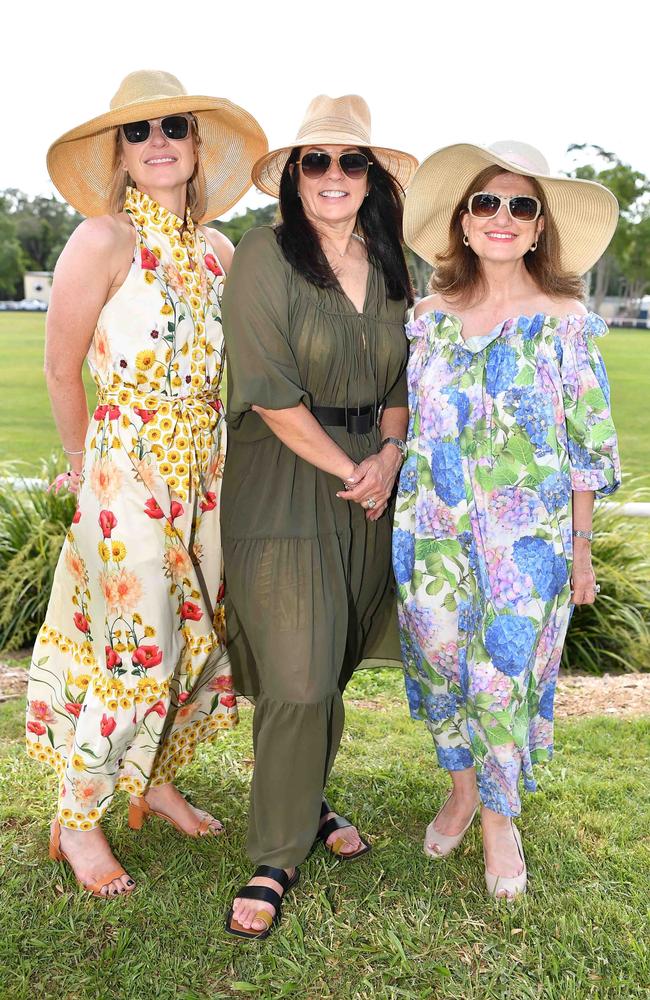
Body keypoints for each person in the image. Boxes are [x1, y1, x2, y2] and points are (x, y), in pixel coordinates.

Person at [26, 69, 267, 897]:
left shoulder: (219, 252)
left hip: (202, 472)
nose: (158, 142)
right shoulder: (100, 242)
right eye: (140, 132)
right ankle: (78, 815)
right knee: (140, 649)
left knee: (195, 637)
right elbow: (61, 370)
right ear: (122, 157)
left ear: (197, 146)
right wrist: (80, 468)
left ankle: (151, 777)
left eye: (173, 126)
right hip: (124, 471)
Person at [394, 141, 621, 899]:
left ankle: (499, 819)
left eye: (521, 206)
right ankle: (461, 789)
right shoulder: (426, 319)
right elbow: (413, 426)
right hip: (432, 534)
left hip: (529, 544)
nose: (502, 217)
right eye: (486, 202)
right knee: (440, 664)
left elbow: (589, 446)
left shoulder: (567, 320)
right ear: (462, 221)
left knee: (500, 678)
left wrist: (582, 551)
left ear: (537, 229)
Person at [220, 95, 417, 938]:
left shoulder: (400, 261)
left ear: (370, 176)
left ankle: (307, 796)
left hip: (373, 472)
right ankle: (276, 856)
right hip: (288, 476)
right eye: (317, 160)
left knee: (330, 656)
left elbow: (409, 382)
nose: (334, 176)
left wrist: (391, 457)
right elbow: (264, 389)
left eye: (351, 161)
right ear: (295, 176)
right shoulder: (263, 257)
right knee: (297, 674)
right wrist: (355, 469)